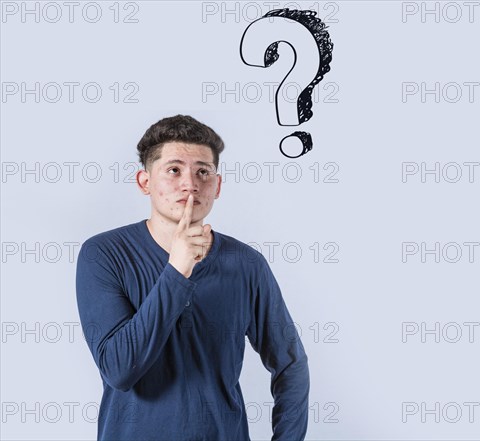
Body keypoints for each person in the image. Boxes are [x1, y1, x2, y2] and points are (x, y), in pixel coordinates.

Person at [75, 114, 310, 441]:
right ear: (145, 182)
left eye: (203, 171)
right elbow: (120, 370)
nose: (190, 183)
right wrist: (177, 270)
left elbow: (291, 365)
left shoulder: (246, 264)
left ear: (217, 185)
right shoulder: (103, 254)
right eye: (173, 170)